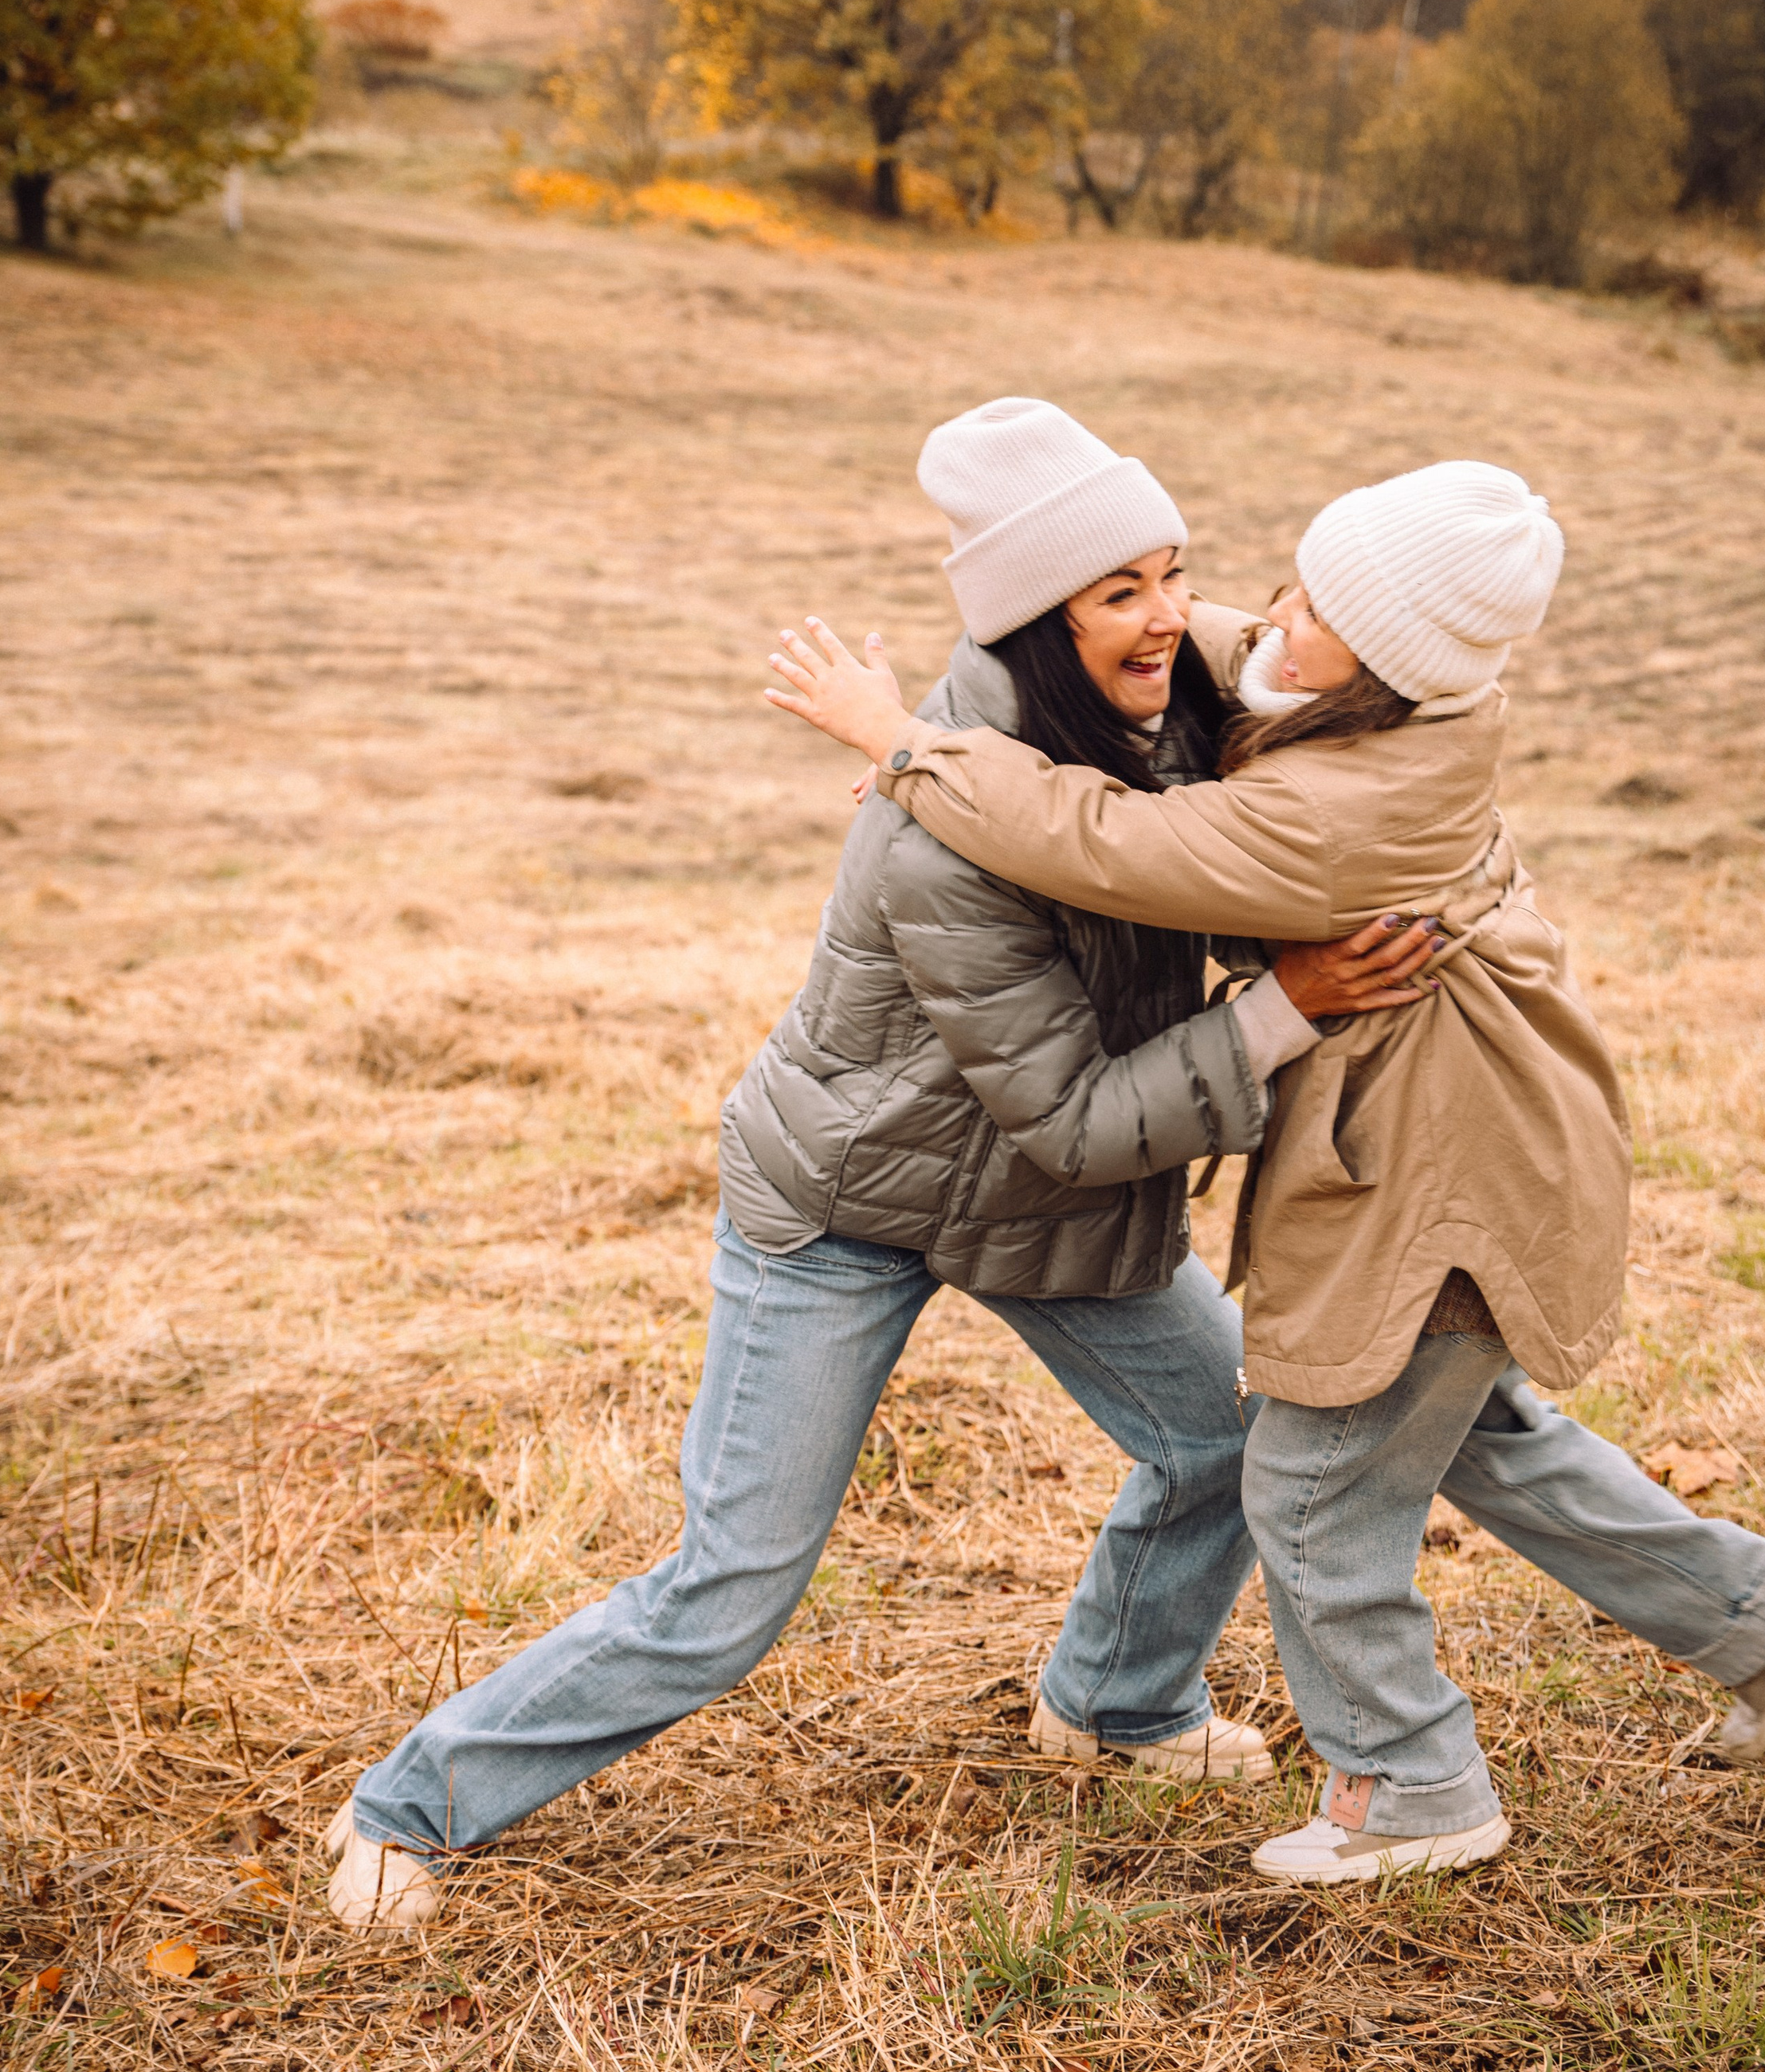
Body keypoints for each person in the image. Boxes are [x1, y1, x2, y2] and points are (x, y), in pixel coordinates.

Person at [326, 399, 1434, 1929]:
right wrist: (1284, 1014)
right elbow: (1076, 1115)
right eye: (1121, 591)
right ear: (1036, 625)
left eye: (1173, 571)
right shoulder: (942, 829)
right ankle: (411, 1806)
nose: (1168, 615)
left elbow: (1281, 648)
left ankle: (1113, 1705)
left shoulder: (1169, 692)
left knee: (1227, 1442)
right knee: (733, 1590)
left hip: (1027, 1207)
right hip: (845, 1207)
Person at [767, 457, 1765, 1887]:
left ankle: (1411, 1785)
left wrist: (909, 742)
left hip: (1442, 1165)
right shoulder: (1388, 683)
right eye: (1292, 576)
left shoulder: (1343, 811)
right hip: (1479, 1139)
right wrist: (1074, 625)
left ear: (1383, 654)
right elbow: (1212, 635)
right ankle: (1761, 1618)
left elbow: (1101, 840)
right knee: (1463, 1426)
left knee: (1307, 1481)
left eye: (1317, 601)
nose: (1265, 611)